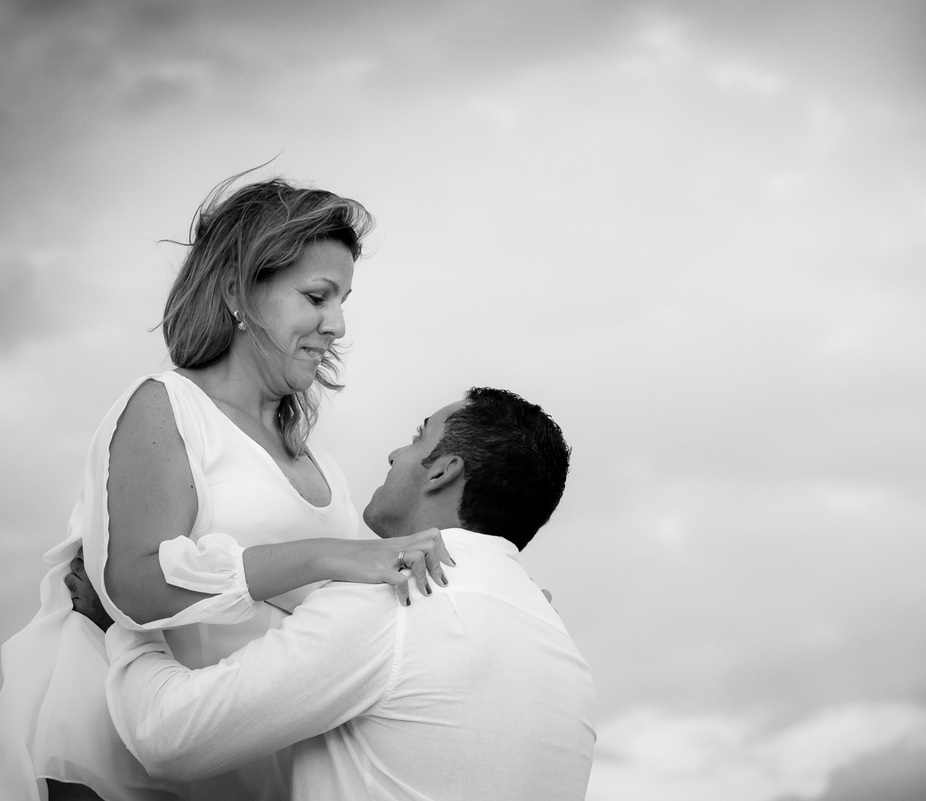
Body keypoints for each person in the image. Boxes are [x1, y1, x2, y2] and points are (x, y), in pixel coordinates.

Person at [0, 175, 453, 801]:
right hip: (118, 756)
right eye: (318, 296)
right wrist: (326, 555)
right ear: (241, 292)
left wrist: (477, 593)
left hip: (244, 762)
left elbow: (355, 609)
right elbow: (129, 584)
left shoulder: (319, 462)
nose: (338, 324)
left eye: (344, 299)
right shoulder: (166, 407)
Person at [106, 387, 596, 801]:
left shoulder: (397, 597)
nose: (394, 454)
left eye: (417, 436)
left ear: (442, 471)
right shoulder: (565, 654)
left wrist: (127, 624)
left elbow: (168, 736)